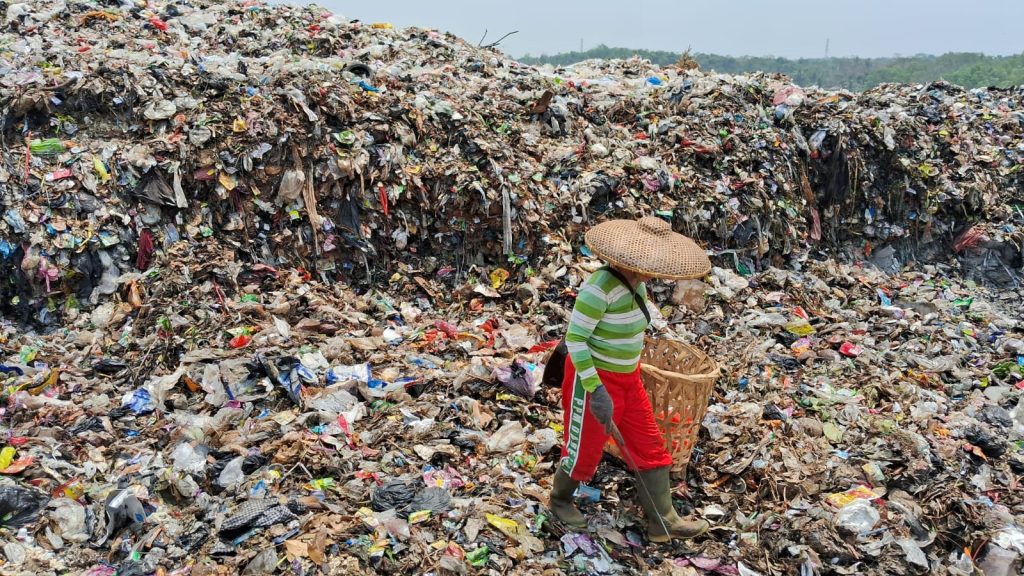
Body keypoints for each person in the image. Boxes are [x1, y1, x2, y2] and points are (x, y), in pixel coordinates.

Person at [548, 216, 712, 542]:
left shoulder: (637, 285)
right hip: (592, 380)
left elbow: (641, 324)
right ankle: (559, 500)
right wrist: (596, 391)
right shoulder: (598, 288)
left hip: (629, 378)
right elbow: (577, 340)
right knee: (584, 450)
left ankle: (663, 521)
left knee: (649, 445)